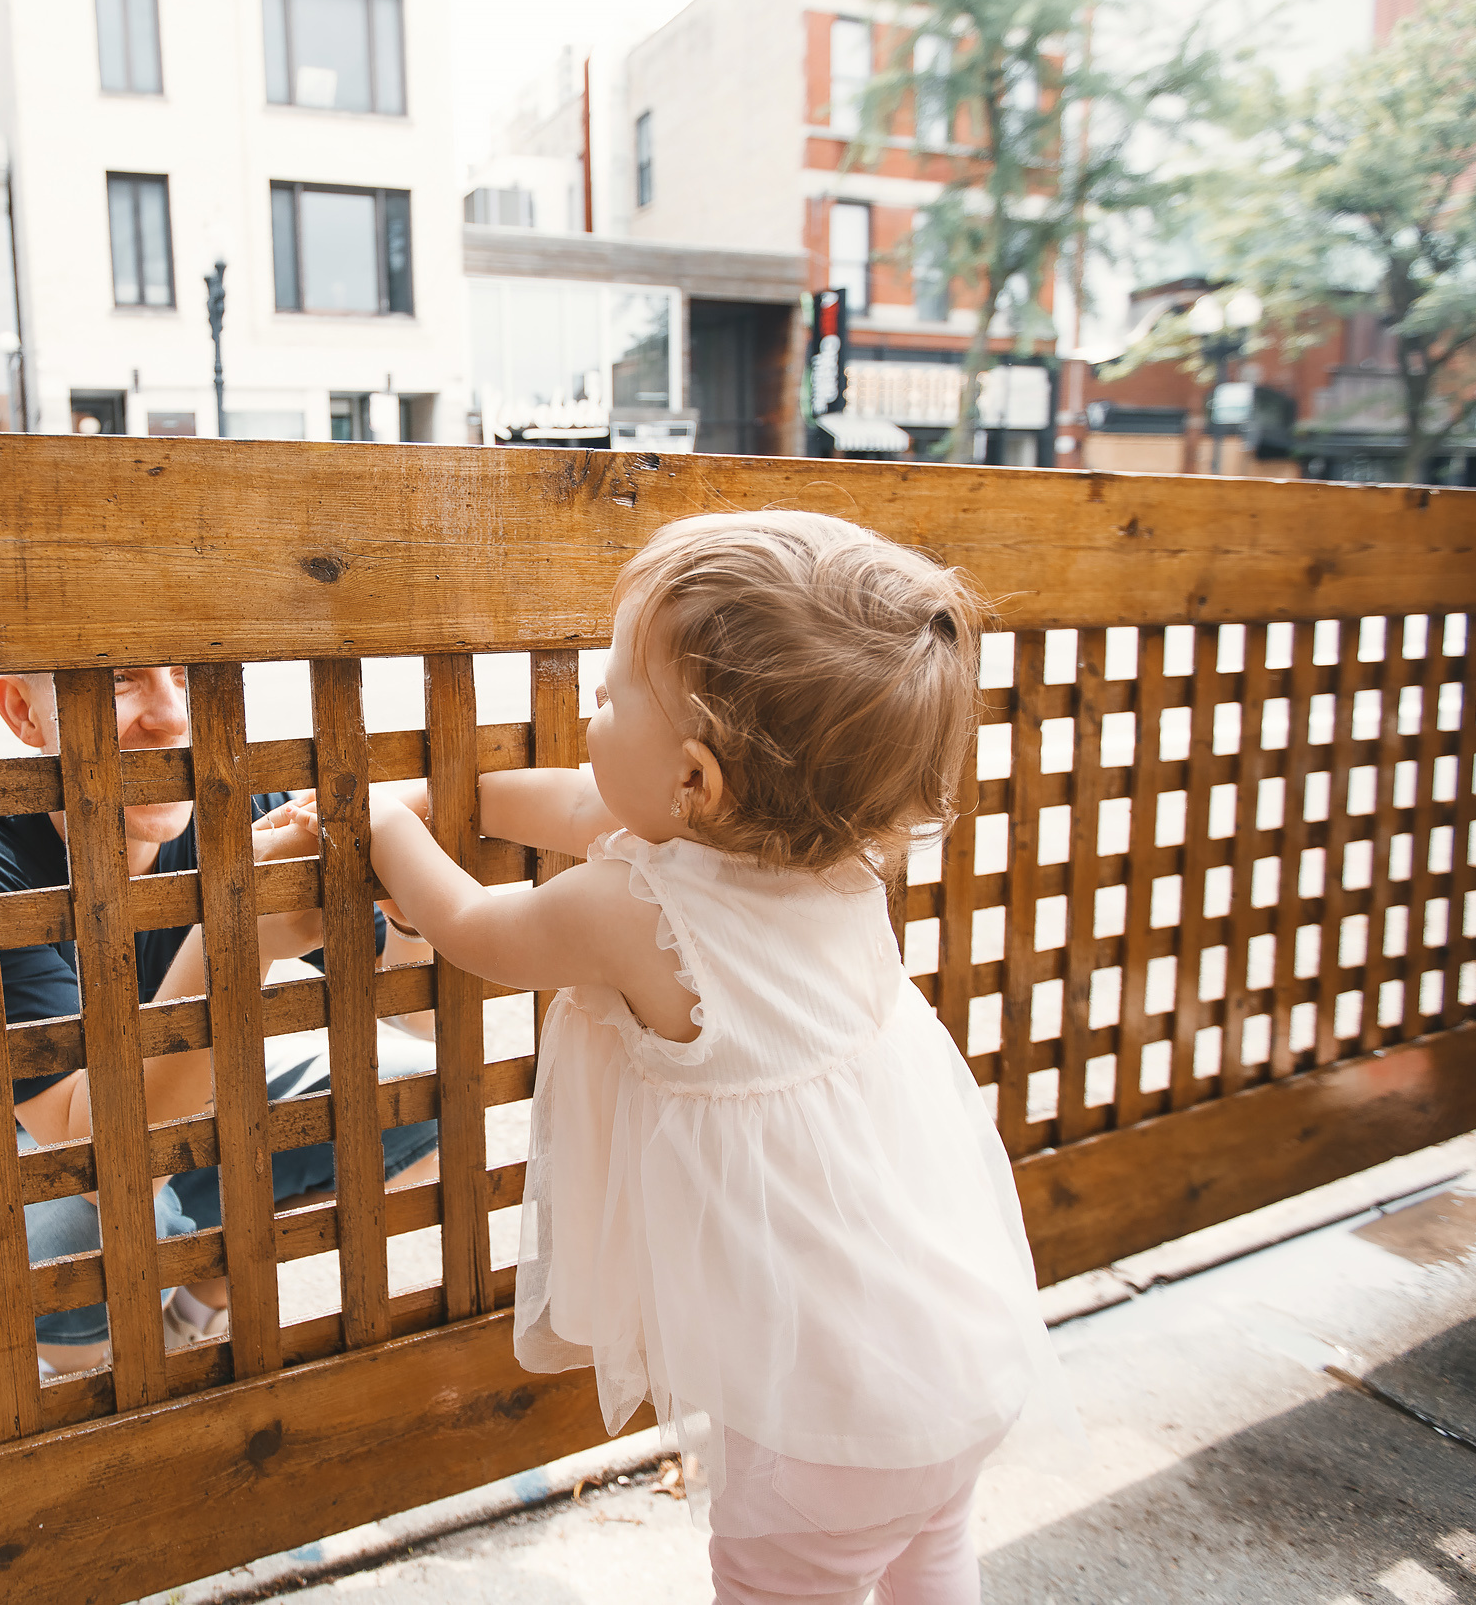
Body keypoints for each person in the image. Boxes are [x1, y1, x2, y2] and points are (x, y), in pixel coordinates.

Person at [360, 512, 1064, 1605]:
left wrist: (379, 821)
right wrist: (461, 797)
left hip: (825, 1424)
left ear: (693, 781)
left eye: (606, 697)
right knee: (932, 1558)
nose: (590, 716)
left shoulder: (630, 914)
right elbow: (595, 803)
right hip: (957, 1352)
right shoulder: (834, 855)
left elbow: (473, 928)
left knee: (783, 1589)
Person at [0, 664, 440, 1379]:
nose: (174, 716)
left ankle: (190, 1318)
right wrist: (236, 940)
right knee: (100, 1238)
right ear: (23, 712)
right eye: (119, 680)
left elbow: (417, 1020)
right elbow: (91, 1161)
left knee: (416, 1095)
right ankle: (100, 1376)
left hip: (174, 1124)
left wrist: (405, 907)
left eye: (186, 674)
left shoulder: (232, 801)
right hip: (2, 1165)